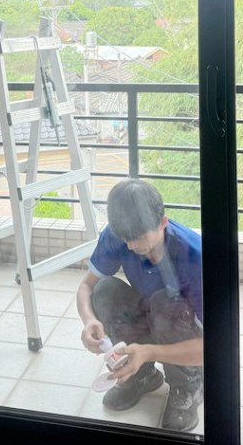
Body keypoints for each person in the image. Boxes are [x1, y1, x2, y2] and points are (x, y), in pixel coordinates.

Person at [76, 178, 204, 432]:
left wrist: (149, 351)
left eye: (141, 237)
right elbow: (86, 287)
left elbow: (211, 347)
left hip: (184, 330)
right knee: (105, 290)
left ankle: (187, 385)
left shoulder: (194, 255)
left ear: (163, 222)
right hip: (151, 313)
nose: (133, 246)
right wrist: (89, 320)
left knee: (166, 304)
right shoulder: (117, 236)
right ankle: (141, 375)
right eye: (127, 239)